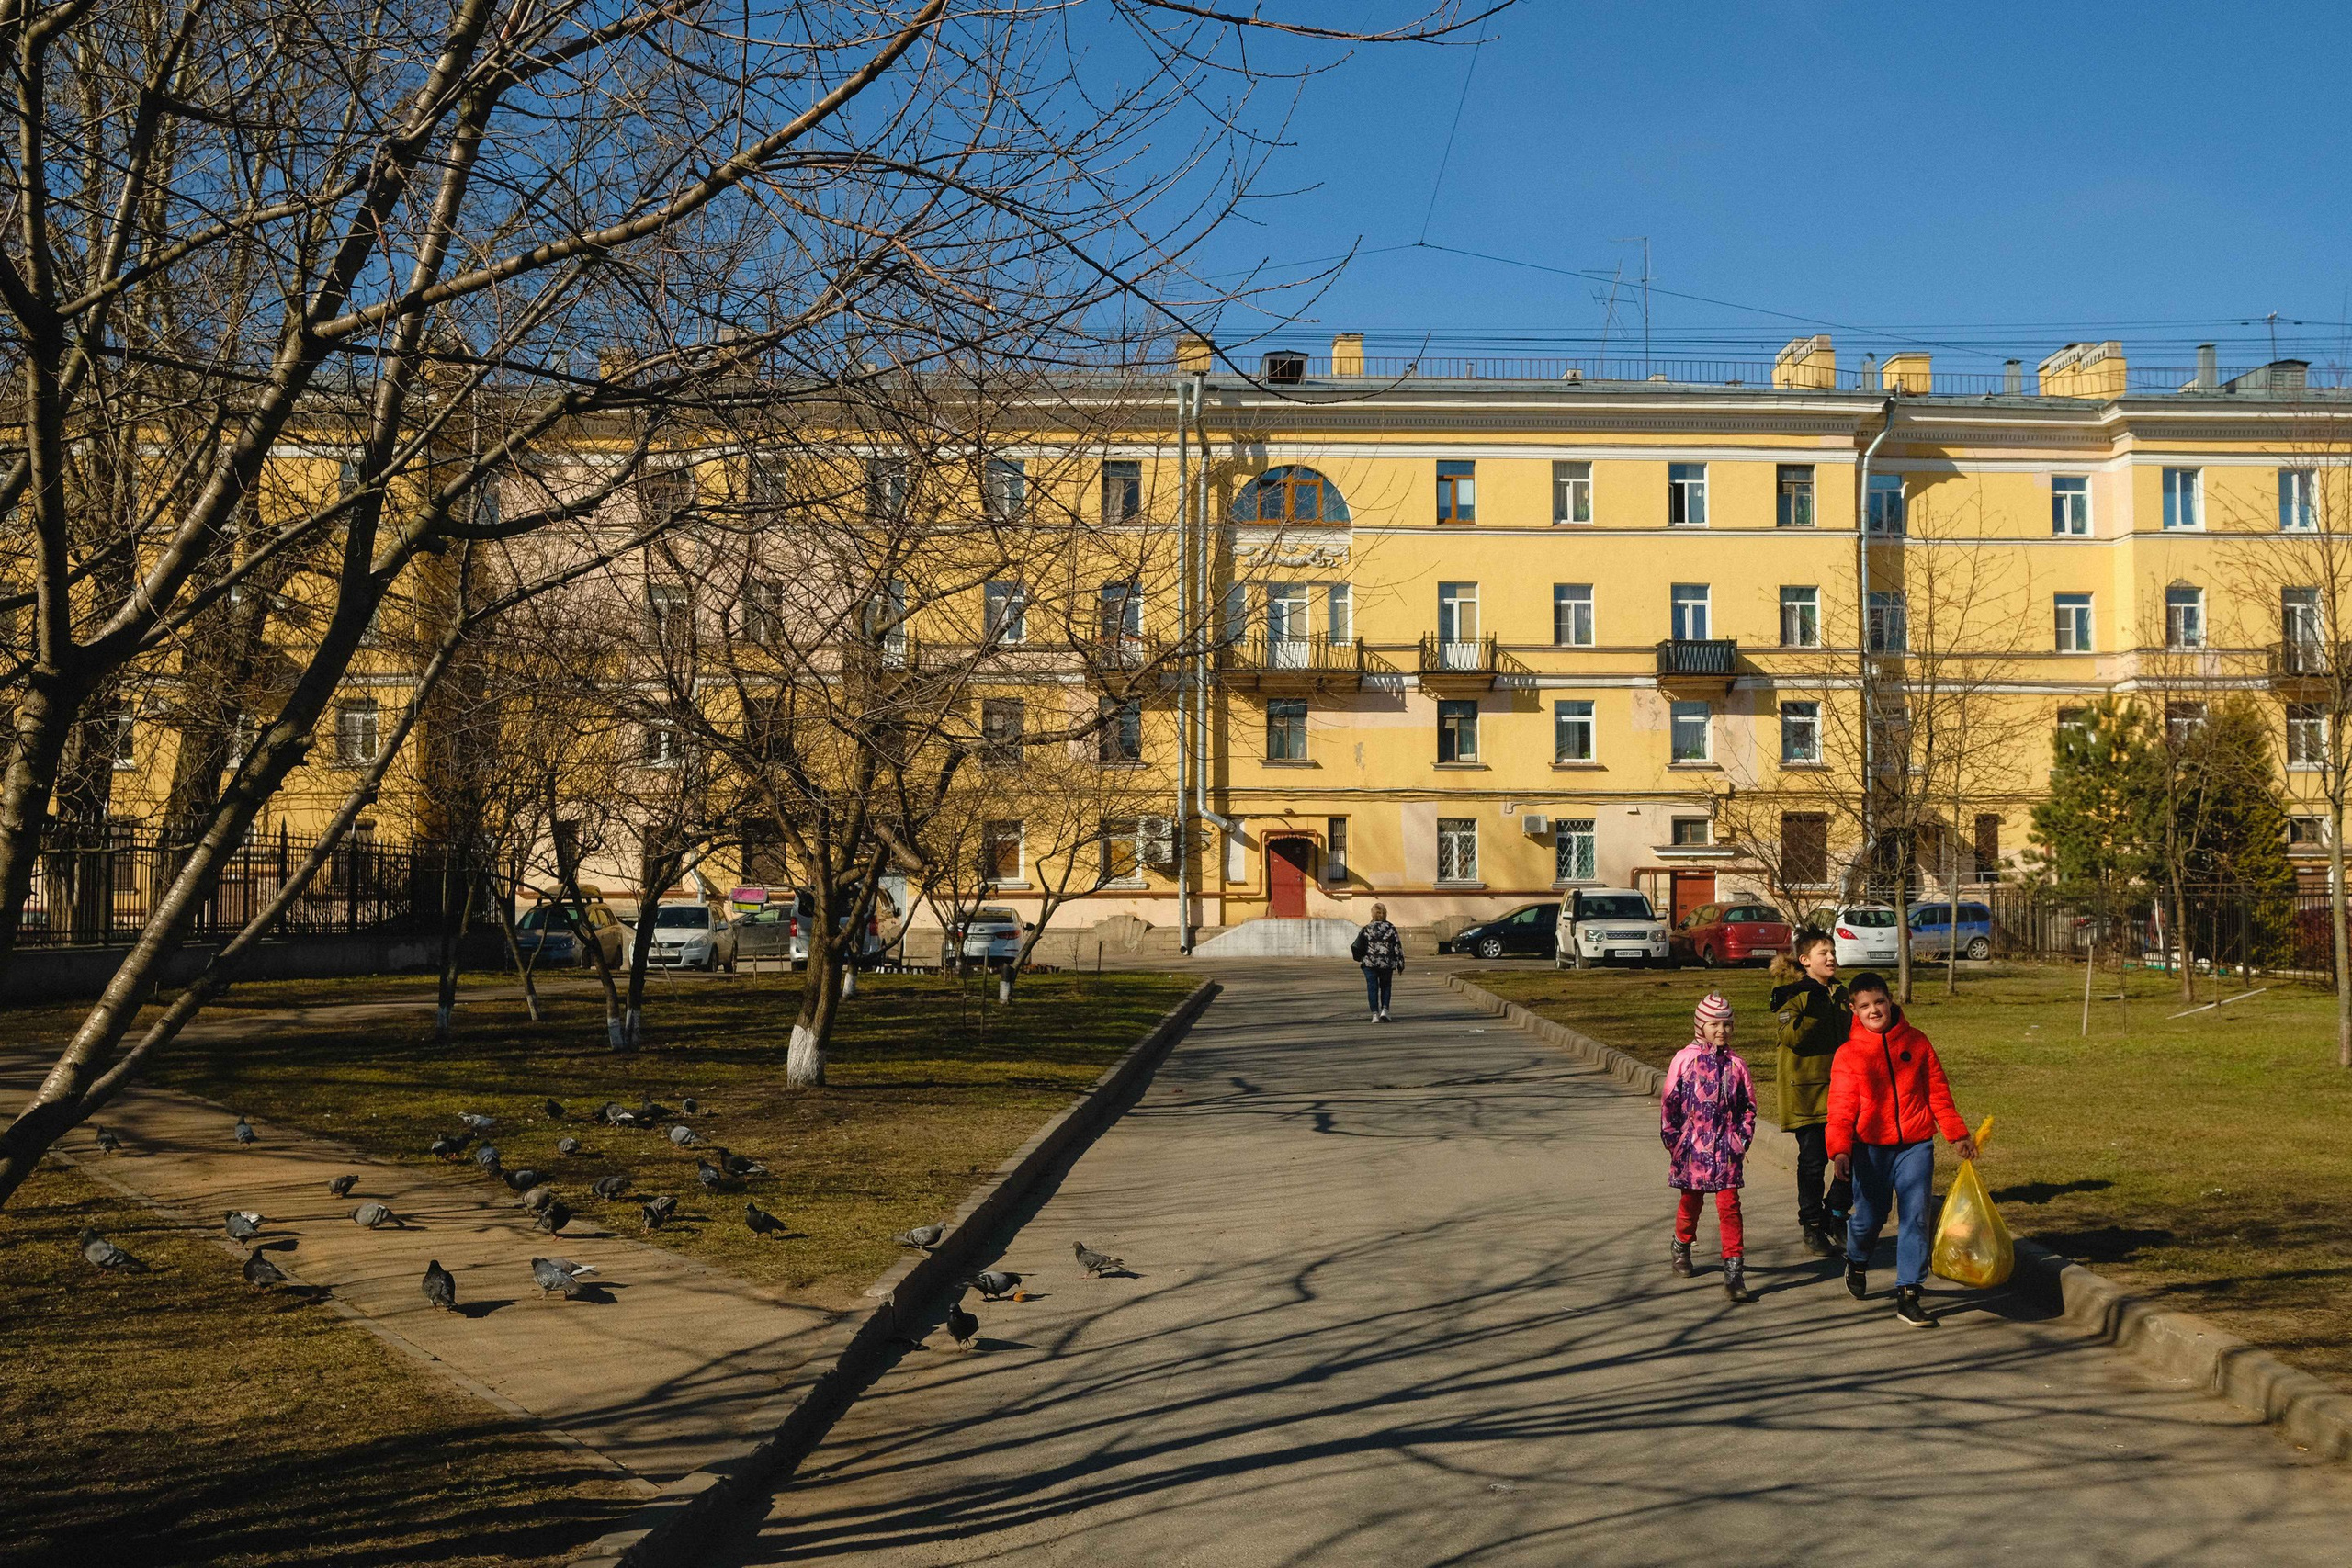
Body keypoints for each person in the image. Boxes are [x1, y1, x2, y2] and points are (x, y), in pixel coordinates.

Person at [1826, 971, 1979, 1329]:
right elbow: (1841, 1106)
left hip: (1916, 1143)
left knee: (1916, 1216)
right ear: (1853, 1009)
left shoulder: (1917, 1042)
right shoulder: (1848, 1054)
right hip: (1870, 1149)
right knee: (1870, 1218)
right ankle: (1857, 1256)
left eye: (1879, 1001)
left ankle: (1909, 1293)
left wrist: (1956, 1134)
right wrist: (1841, 1150)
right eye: (1864, 1006)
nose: (1874, 1010)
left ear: (1890, 1000)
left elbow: (1937, 1092)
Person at [1660, 991, 1758, 1303]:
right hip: (1691, 1149)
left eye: (1727, 1025)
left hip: (1725, 1150)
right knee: (1691, 1201)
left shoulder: (1736, 1066)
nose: (1722, 1031)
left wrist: (1739, 1140)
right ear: (1701, 1025)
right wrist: (1674, 1141)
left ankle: (1734, 1270)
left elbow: (1748, 1107)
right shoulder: (1684, 1060)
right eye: (1715, 1024)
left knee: (1730, 1207)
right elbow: (1670, 1102)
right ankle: (1682, 1243)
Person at [1770, 932, 1853, 1257]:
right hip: (1806, 1093)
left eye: (1833, 952)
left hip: (1843, 1090)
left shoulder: (1842, 993)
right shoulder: (1794, 993)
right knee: (1813, 1162)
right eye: (1823, 953)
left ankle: (1836, 1214)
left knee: (1854, 1155)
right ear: (1805, 961)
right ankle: (1811, 1225)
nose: (1831, 958)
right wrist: (1815, 1005)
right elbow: (1792, 1038)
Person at [1352, 903, 1404, 1022]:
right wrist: (1400, 962)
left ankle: (1374, 1014)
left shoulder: (1367, 928)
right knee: (1386, 986)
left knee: (1372, 987)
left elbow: (1359, 946)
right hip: (1387, 963)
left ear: (1372, 914)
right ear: (1385, 914)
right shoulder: (1391, 928)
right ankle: (1385, 1010)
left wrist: (1361, 958)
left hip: (1370, 963)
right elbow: (1397, 946)